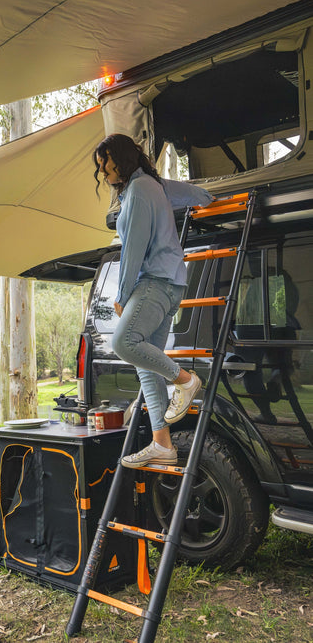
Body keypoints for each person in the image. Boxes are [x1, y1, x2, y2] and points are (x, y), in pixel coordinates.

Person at [93, 134, 213, 468]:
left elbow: (134, 248)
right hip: (168, 282)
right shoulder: (149, 185)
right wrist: (206, 197)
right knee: (146, 363)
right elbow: (183, 191)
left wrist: (122, 293)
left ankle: (185, 381)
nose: (102, 171)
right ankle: (162, 444)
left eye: (106, 162)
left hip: (155, 282)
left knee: (123, 342)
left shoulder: (141, 190)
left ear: (121, 158)